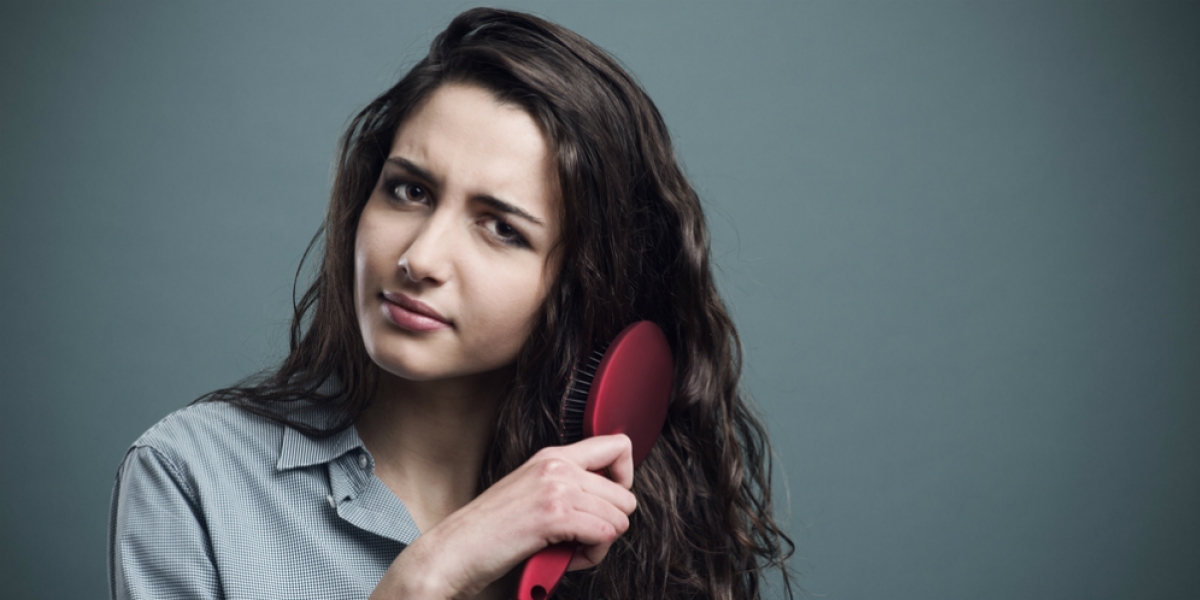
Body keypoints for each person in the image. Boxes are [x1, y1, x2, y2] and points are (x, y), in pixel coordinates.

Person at [108, 8, 794, 600]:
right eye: (409, 190)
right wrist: (431, 573)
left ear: (581, 281)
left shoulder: (632, 533)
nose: (420, 258)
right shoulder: (192, 477)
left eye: (502, 228)